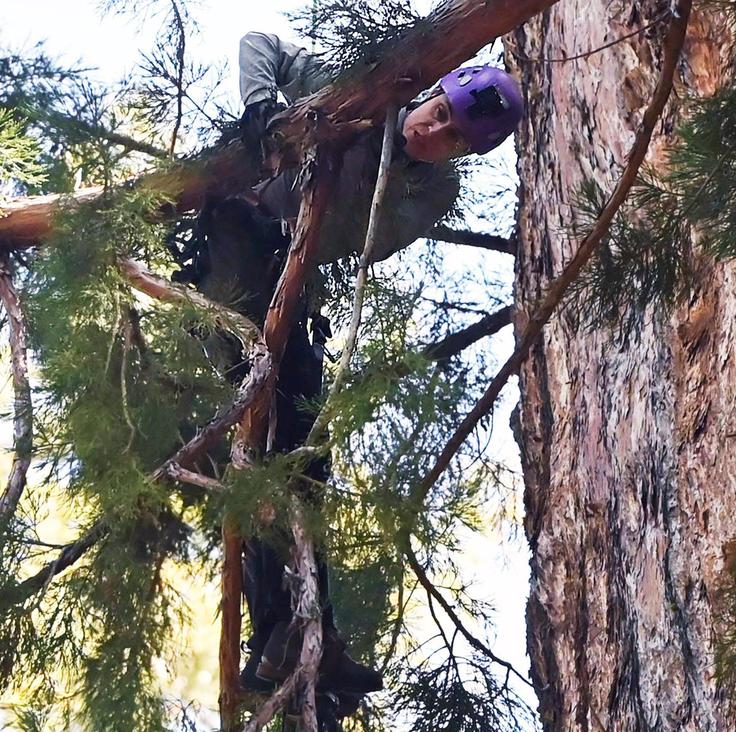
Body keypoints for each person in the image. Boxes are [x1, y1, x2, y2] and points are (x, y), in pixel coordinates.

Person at [190, 31, 525, 704]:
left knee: (307, 455)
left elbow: (354, 240)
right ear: (432, 91)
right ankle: (280, 634)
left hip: (286, 273)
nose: (435, 130)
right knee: (267, 434)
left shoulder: (428, 194)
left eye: (454, 135)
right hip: (233, 242)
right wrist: (268, 113)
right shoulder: (367, 92)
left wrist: (351, 162)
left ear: (463, 151)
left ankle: (304, 633)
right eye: (441, 111)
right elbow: (259, 45)